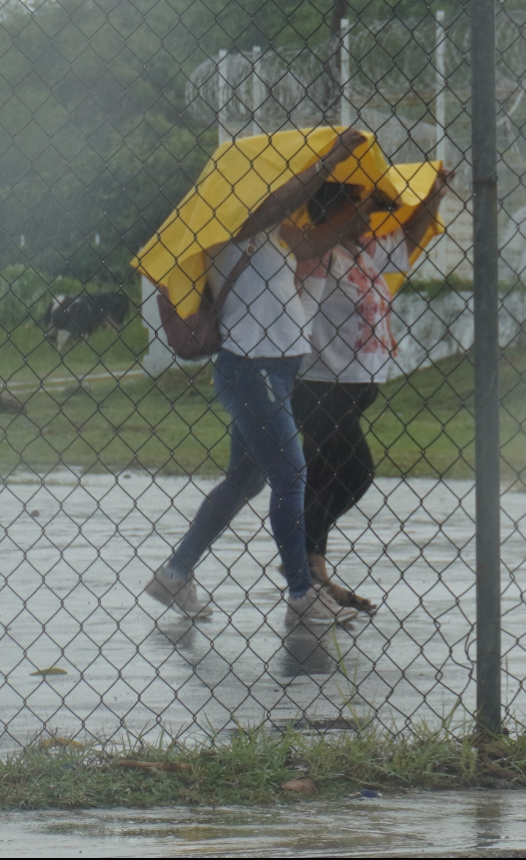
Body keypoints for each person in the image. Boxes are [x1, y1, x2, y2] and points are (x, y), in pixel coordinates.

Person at [144, 129, 377, 626]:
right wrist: (328, 159)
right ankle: (300, 593)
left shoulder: (272, 236)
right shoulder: (232, 223)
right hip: (251, 369)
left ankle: (174, 573)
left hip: (277, 369)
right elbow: (278, 203)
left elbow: (313, 239)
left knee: (244, 482)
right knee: (291, 473)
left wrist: (355, 216)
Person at [291, 167, 455, 614]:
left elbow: (406, 243)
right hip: (320, 385)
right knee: (356, 471)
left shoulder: (361, 251)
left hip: (351, 387)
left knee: (322, 479)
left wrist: (433, 197)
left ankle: (310, 580)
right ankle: (301, 570)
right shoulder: (318, 256)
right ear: (335, 209)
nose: (369, 217)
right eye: (358, 206)